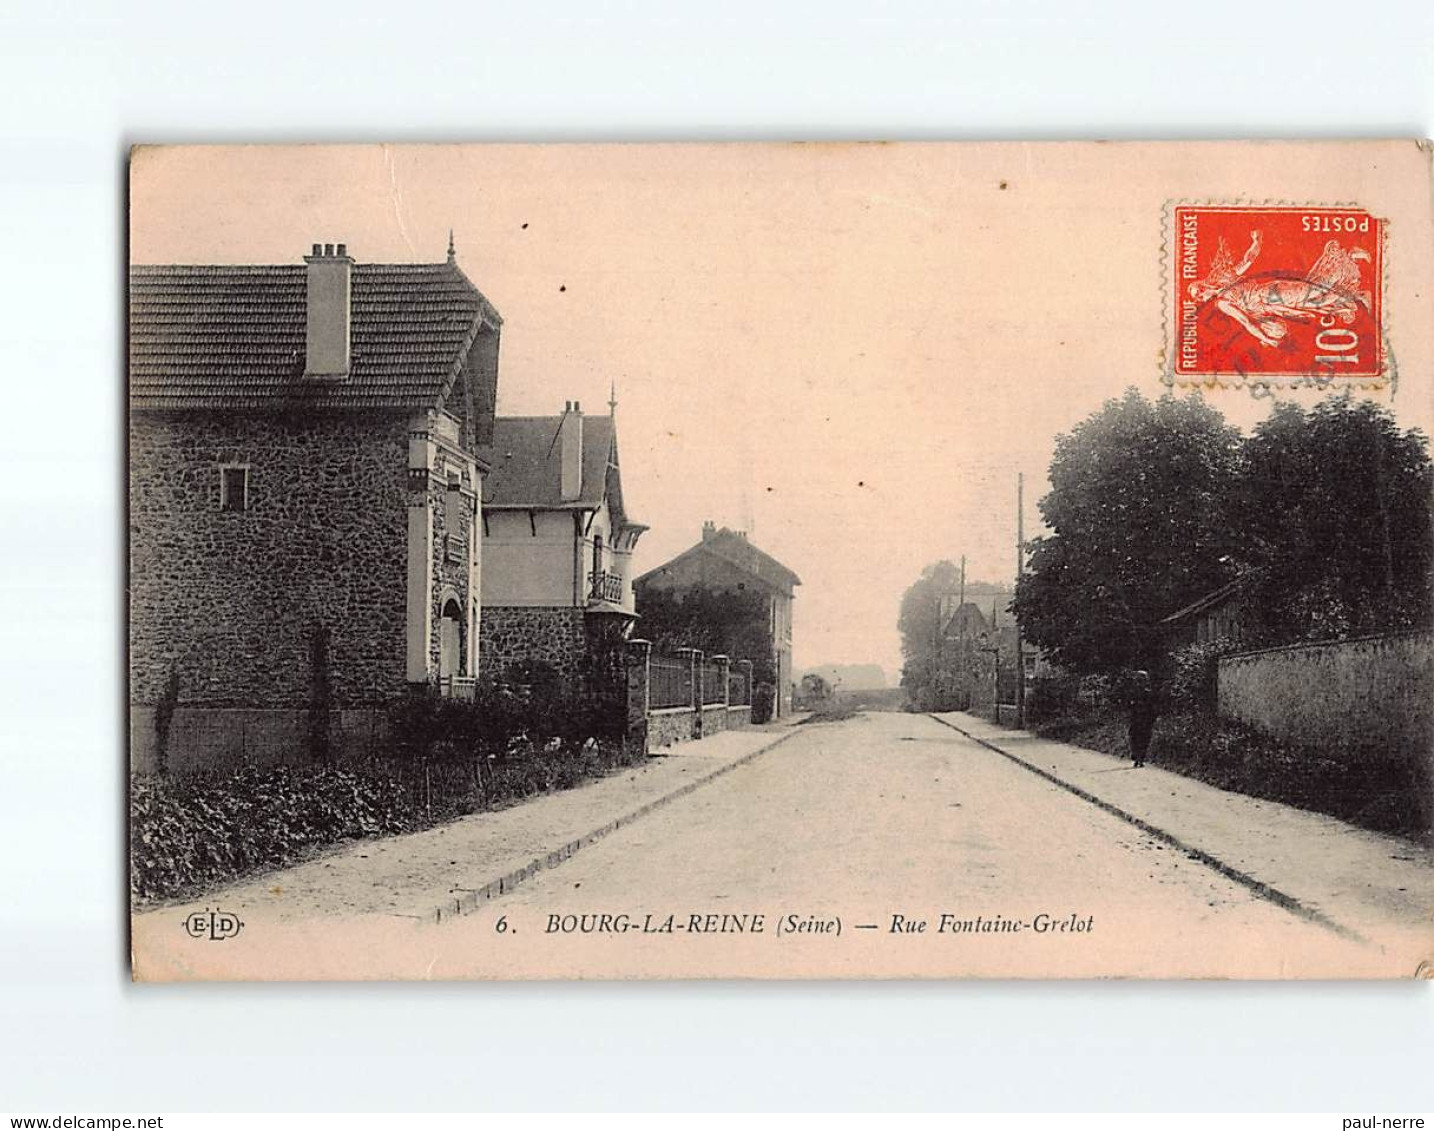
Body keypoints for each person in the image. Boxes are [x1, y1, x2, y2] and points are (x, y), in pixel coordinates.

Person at [1125, 669, 1157, 768]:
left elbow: (1153, 707)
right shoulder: (1133, 692)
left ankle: (1140, 758)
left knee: (1142, 739)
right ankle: (1137, 757)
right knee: (1136, 738)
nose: (1140, 682)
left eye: (1141, 680)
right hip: (1137, 719)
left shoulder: (1148, 693)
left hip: (1144, 719)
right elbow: (1128, 705)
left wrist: (1152, 718)